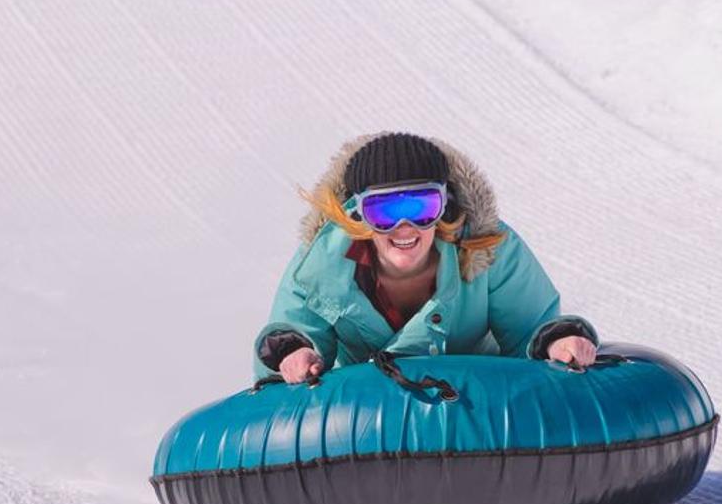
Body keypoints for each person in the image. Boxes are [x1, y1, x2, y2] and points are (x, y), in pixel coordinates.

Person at [254, 131, 598, 383]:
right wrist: (293, 354)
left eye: (422, 207)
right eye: (384, 211)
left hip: (478, 407)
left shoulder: (486, 247)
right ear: (358, 215)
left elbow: (531, 326)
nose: (404, 227)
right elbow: (295, 332)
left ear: (444, 208)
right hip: (362, 419)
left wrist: (556, 341)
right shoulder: (321, 267)